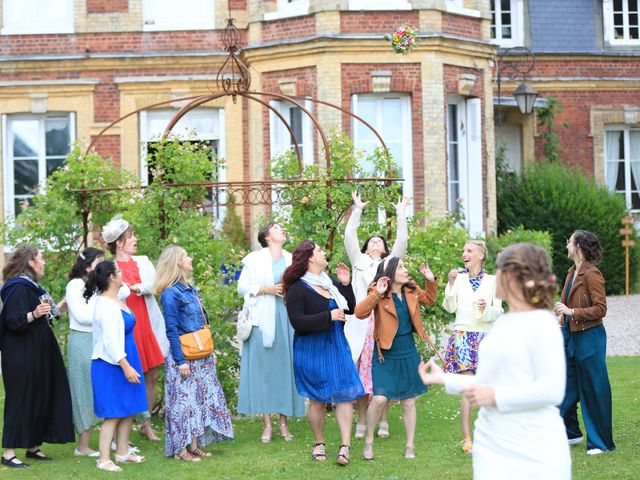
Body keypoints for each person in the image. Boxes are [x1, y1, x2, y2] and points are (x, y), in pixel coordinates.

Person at [419, 243, 571, 480]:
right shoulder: (503, 323)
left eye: (500, 269)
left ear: (512, 277)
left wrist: (496, 397)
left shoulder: (542, 324)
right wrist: (443, 378)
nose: (496, 274)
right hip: (491, 446)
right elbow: (489, 382)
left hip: (531, 447)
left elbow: (551, 391)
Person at [283, 240, 363, 466]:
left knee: (345, 395)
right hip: (312, 350)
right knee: (317, 399)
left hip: (337, 347)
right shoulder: (298, 288)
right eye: (319, 250)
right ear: (309, 258)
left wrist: (346, 285)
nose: (324, 252)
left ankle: (345, 446)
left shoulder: (329, 284)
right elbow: (297, 322)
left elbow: (349, 308)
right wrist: (328, 317)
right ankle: (319, 443)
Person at [155, 245, 234, 462]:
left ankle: (194, 445)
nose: (190, 259)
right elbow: (171, 329)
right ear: (178, 262)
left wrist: (210, 351)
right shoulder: (171, 293)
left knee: (198, 401)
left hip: (201, 355)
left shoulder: (190, 289)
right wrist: (180, 360)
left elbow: (202, 323)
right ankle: (181, 450)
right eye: (186, 256)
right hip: (184, 357)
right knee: (183, 403)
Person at [354, 256, 437, 460]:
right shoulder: (378, 291)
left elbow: (430, 300)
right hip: (385, 352)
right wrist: (377, 294)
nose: (406, 270)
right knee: (380, 398)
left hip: (408, 350)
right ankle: (369, 440)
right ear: (390, 272)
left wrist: (430, 280)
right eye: (401, 267)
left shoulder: (411, 289)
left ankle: (409, 445)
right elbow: (359, 313)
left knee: (408, 402)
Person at [0, 245, 75, 468]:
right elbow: (14, 320)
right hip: (21, 354)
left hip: (36, 353)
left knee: (38, 396)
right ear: (31, 262)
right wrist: (34, 313)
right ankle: (8, 453)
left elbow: (47, 315)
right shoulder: (16, 287)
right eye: (41, 258)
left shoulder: (32, 287)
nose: (44, 262)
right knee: (20, 398)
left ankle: (32, 445)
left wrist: (59, 306)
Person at [344, 192, 408, 438]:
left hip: (382, 323)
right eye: (370, 241)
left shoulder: (389, 264)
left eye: (378, 241)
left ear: (384, 248)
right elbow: (349, 236)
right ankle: (361, 420)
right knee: (361, 372)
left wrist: (401, 214)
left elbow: (402, 242)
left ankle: (383, 421)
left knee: (381, 372)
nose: (374, 243)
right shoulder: (358, 261)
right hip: (360, 323)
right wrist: (357, 210)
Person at [102, 217, 169, 441]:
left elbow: (157, 284)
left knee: (152, 375)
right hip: (125, 328)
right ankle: (123, 430)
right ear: (119, 243)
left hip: (146, 323)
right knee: (127, 376)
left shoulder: (143, 261)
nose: (135, 239)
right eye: (131, 237)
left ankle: (146, 423)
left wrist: (137, 288)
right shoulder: (110, 267)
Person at [236, 222, 305, 443]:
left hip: (286, 318)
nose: (282, 229)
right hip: (261, 319)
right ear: (267, 237)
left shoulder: (291, 258)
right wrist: (265, 289)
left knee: (285, 368)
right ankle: (266, 425)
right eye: (276, 228)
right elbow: (242, 286)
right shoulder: (253, 259)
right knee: (264, 372)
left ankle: (284, 423)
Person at [553, 230, 615, 455]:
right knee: (566, 385)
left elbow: (601, 309)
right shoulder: (572, 272)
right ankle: (571, 432)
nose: (567, 245)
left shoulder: (592, 273)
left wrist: (572, 311)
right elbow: (568, 305)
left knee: (593, 389)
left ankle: (601, 442)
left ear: (578, 246)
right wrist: (563, 313)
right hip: (570, 335)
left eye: (569, 241)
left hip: (590, 337)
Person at [442, 240, 503, 454]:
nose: (464, 254)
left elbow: (499, 311)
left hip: (486, 336)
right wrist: (449, 285)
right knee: (468, 387)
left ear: (480, 255)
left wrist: (487, 309)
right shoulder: (457, 279)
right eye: (463, 251)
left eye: (469, 251)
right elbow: (449, 307)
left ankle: (492, 434)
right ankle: (467, 439)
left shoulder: (494, 281)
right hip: (462, 335)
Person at [88, 260, 147, 472]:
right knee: (112, 412)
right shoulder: (104, 304)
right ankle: (103, 459)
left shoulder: (118, 298)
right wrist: (126, 366)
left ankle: (122, 451)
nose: (123, 274)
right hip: (111, 362)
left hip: (128, 356)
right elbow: (111, 341)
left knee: (129, 407)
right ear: (112, 278)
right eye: (119, 271)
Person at [66, 247, 105, 457]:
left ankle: (111, 440)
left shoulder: (96, 285)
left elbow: (123, 292)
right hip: (82, 340)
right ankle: (82, 445)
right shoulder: (75, 285)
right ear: (88, 265)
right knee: (83, 390)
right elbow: (81, 315)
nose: (103, 266)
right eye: (99, 262)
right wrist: (104, 313)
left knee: (100, 388)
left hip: (97, 340)